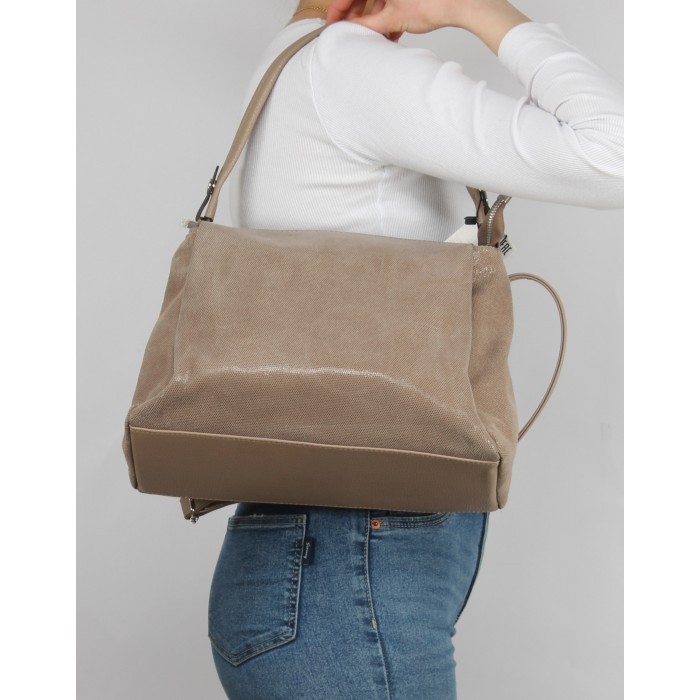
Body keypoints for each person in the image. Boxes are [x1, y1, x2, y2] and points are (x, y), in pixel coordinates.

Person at [207, 1, 623, 698]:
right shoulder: (343, 66)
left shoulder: (291, 63)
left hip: (306, 568)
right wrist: (475, 10)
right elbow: (620, 151)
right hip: (349, 576)